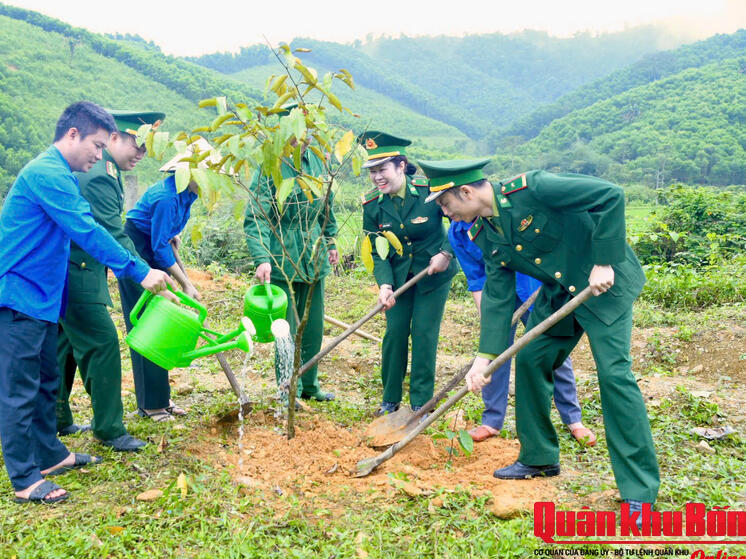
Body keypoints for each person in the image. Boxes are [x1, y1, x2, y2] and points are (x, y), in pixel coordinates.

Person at [420, 157, 659, 519]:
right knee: (532, 360)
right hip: (560, 294)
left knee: (614, 375)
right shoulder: (484, 234)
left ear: (466, 192)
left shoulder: (535, 189)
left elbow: (610, 195)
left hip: (603, 285)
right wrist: (484, 358)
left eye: (445, 203)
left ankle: (639, 491)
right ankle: (539, 458)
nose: (445, 213)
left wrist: (605, 261)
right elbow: (498, 300)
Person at [0, 101, 172, 503]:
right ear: (72, 135)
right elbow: (88, 230)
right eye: (97, 146)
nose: (99, 156)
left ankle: (50, 454)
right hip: (14, 299)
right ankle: (25, 478)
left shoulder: (62, 176)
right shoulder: (47, 174)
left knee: (47, 382)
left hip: (42, 302)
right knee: (19, 392)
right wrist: (139, 270)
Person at [55, 110, 166, 452]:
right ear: (115, 138)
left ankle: (56, 417)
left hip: (65, 268)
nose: (141, 155)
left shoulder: (106, 173)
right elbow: (112, 232)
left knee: (65, 344)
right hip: (80, 269)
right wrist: (143, 272)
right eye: (137, 145)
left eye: (147, 150)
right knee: (102, 344)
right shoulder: (102, 176)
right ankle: (109, 428)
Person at [447, 219, 596, 445]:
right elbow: (475, 277)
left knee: (551, 347)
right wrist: (488, 317)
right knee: (494, 353)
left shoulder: (500, 215)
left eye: (448, 202)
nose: (447, 210)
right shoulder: (456, 232)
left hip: (532, 289)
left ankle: (574, 420)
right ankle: (492, 420)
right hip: (496, 297)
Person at [360, 131, 458, 415]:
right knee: (395, 334)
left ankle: (420, 403)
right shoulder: (372, 205)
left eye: (383, 170)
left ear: (401, 166)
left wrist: (445, 252)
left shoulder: (430, 191)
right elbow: (377, 250)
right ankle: (390, 400)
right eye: (373, 172)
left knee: (425, 333)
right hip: (399, 276)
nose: (378, 177)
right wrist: (385, 285)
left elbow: (459, 223)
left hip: (434, 275)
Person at [243, 120, 338, 402]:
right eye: (295, 132)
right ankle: (288, 388)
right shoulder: (270, 166)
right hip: (281, 254)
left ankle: (309, 384)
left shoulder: (318, 163)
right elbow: (257, 216)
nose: (301, 139)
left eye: (306, 132)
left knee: (313, 326)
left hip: (314, 254)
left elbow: (326, 206)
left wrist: (330, 239)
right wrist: (262, 257)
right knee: (285, 329)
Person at [117, 153, 202, 421]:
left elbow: (166, 238)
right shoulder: (167, 198)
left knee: (163, 322)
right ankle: (150, 404)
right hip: (138, 252)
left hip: (153, 247)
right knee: (146, 325)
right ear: (191, 174)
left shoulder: (186, 195)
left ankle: (161, 399)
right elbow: (159, 248)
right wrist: (185, 283)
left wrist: (170, 235)